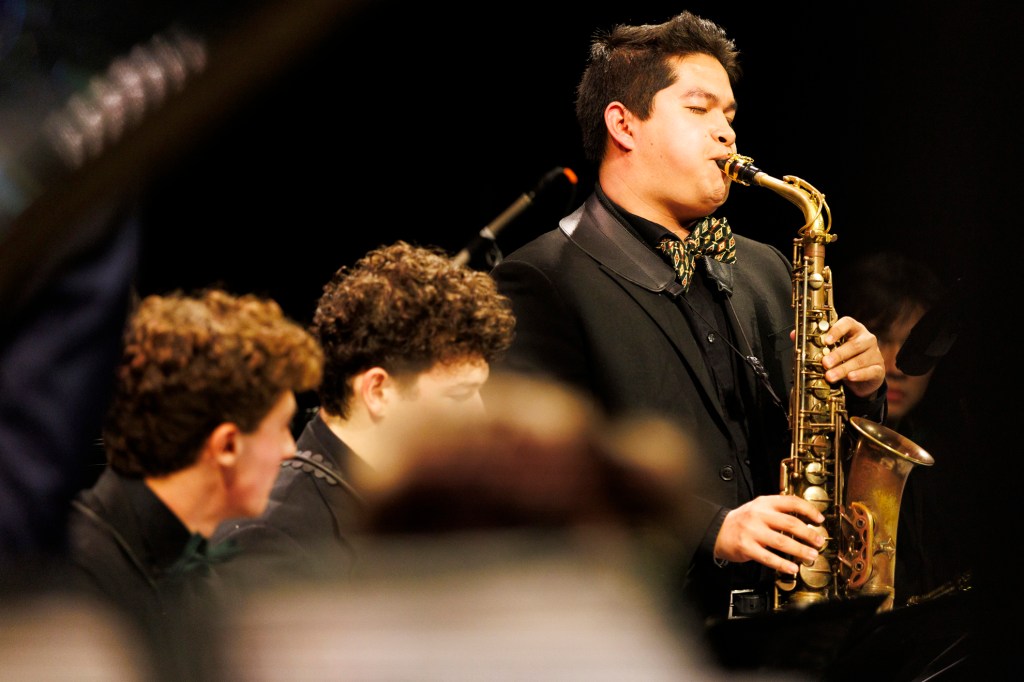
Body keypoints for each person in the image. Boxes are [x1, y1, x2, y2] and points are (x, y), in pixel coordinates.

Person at [488, 10, 888, 626]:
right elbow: (540, 479)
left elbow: (819, 445)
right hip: (647, 627)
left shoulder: (766, 269)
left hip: (791, 617)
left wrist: (862, 390)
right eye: (700, 110)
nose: (727, 133)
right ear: (623, 124)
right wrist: (712, 529)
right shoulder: (540, 279)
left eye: (729, 115)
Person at [210, 239, 516, 592]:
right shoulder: (273, 538)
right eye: (460, 394)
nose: (479, 413)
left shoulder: (426, 505)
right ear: (377, 392)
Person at [65, 288, 323, 682]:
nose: (291, 449)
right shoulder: (68, 581)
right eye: (281, 427)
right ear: (227, 446)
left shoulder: (204, 577)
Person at [834, 251, 975, 607]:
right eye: (880, 337)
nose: (896, 364)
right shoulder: (823, 446)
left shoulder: (953, 459)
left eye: (913, 342)